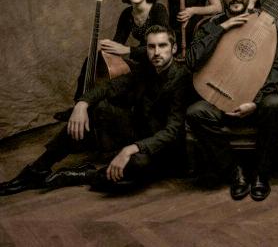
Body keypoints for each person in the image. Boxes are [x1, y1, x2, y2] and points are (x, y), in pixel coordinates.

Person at [0, 25, 191, 195]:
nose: (156, 52)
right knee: (98, 108)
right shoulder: (146, 68)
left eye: (162, 46)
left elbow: (173, 131)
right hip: (138, 132)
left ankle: (86, 174)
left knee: (134, 169)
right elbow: (109, 86)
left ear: (173, 48)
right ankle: (37, 170)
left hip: (163, 149)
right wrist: (82, 104)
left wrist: (131, 149)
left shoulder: (181, 77)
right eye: (151, 47)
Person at [186, 0, 278, 201]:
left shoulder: (266, 25)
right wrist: (222, 28)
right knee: (196, 112)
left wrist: (255, 102)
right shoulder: (210, 25)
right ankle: (234, 171)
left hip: (254, 101)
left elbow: (277, 67)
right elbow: (192, 61)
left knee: (274, 105)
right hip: (218, 100)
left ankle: (261, 174)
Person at [72, 0, 170, 101]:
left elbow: (163, 47)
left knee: (123, 84)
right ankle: (80, 102)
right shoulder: (126, 14)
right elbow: (117, 43)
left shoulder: (158, 10)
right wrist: (105, 47)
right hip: (139, 63)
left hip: (156, 65)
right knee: (92, 59)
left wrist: (128, 50)